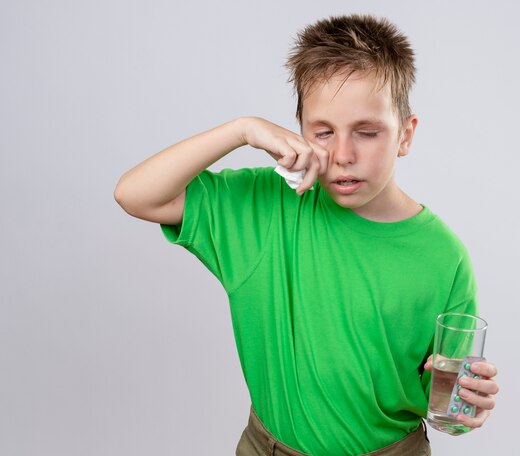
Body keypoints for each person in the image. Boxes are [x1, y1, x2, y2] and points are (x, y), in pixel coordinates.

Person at [114, 14, 499, 456]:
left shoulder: (443, 256)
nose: (343, 155)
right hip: (269, 448)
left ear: (405, 135)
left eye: (367, 132)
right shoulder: (265, 207)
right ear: (297, 129)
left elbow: (445, 395)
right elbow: (134, 194)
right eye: (323, 132)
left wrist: (467, 403)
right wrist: (242, 129)